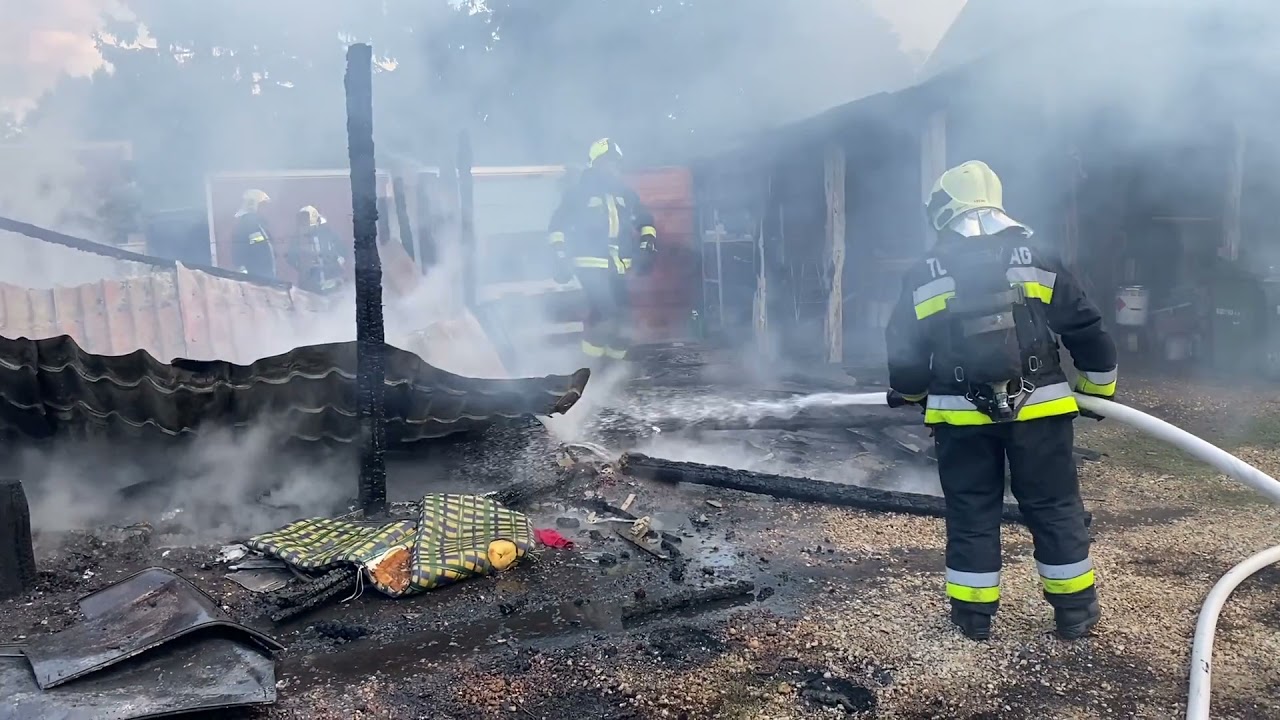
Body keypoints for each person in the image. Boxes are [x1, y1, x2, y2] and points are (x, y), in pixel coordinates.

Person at [884, 160, 1117, 642]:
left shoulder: (925, 270)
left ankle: (973, 618)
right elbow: (1086, 327)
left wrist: (910, 393)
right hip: (1041, 409)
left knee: (972, 510)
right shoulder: (1037, 255)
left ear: (943, 210)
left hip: (959, 416)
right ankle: (1074, 612)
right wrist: (1096, 390)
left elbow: (904, 349)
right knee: (1053, 506)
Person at [546, 138, 658, 364]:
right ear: (595, 164)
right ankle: (590, 368)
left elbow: (645, 220)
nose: (614, 168)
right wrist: (560, 257)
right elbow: (557, 227)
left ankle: (612, 369)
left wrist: (647, 245)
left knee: (625, 320)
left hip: (616, 267)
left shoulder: (625, 195)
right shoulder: (579, 194)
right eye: (609, 163)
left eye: (617, 163)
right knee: (607, 316)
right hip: (590, 266)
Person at [288, 205, 349, 294]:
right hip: (310, 288)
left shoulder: (329, 233)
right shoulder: (298, 238)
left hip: (332, 285)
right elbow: (291, 257)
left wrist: (338, 262)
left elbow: (343, 251)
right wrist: (303, 268)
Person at [231, 189, 277, 278]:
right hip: (255, 279)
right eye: (263, 205)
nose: (266, 209)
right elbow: (239, 250)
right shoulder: (246, 225)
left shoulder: (259, 225)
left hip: (266, 276)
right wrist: (243, 271)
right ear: (254, 205)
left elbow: (263, 246)